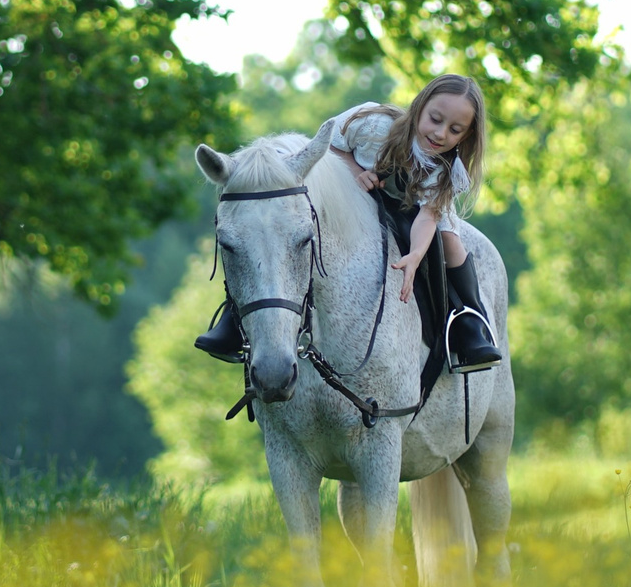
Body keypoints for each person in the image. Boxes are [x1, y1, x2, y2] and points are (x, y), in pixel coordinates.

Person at [195, 74, 505, 373]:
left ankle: (469, 318)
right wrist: (357, 172)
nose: (440, 134)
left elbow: (427, 216)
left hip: (415, 203)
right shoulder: (372, 124)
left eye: (455, 130)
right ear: (419, 107)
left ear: (466, 136)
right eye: (435, 119)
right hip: (354, 188)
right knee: (282, 226)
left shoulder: (444, 169)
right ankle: (235, 318)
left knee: (450, 240)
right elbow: (328, 148)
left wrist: (415, 255)